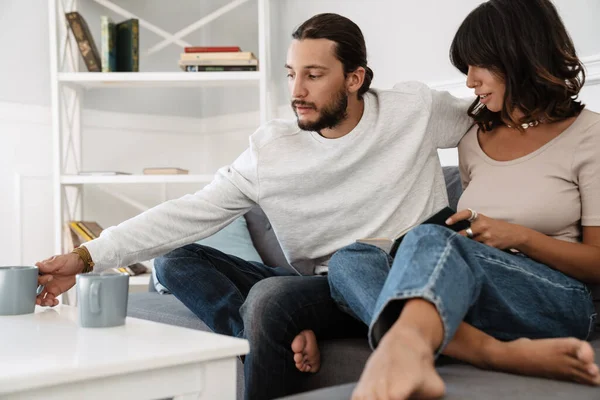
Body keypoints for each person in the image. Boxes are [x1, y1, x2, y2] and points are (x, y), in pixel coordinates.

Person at [35, 13, 473, 400]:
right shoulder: (272, 150)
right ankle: (268, 336)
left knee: (270, 297)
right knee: (173, 263)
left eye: (314, 75)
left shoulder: (414, 111)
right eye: (290, 74)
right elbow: (188, 212)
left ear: (355, 78)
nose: (296, 91)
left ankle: (292, 332)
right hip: (316, 289)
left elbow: (498, 114)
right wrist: (84, 257)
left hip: (392, 279)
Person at [290, 1, 600, 399]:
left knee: (429, 239)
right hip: (469, 292)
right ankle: (491, 352)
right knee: (351, 260)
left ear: (520, 55)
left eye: (479, 65)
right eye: (465, 68)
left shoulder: (589, 135)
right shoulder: (475, 138)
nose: (470, 81)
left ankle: (403, 351)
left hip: (558, 298)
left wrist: (517, 236)